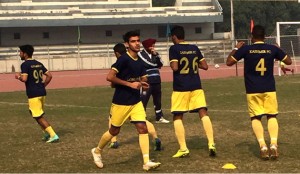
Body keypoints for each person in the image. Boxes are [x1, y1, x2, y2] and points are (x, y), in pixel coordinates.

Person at [91, 31, 161, 171]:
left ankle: (146, 161)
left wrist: (142, 82)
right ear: (127, 44)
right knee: (114, 131)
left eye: (138, 40)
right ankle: (97, 151)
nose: (137, 43)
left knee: (142, 128)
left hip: (135, 102)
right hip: (121, 102)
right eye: (133, 41)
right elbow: (110, 77)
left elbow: (143, 78)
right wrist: (130, 84)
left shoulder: (139, 61)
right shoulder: (123, 59)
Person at [226, 25, 292, 160]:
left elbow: (228, 62)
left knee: (256, 118)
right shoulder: (272, 49)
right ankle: (273, 144)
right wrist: (279, 50)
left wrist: (236, 48)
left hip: (252, 89)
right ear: (265, 36)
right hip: (269, 88)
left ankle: (262, 146)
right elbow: (288, 61)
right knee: (272, 116)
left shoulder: (246, 49)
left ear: (252, 37)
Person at [169, 25, 216, 158]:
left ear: (174, 37)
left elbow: (174, 67)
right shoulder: (194, 48)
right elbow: (205, 66)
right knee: (203, 112)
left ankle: (183, 148)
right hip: (196, 85)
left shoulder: (174, 48)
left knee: (178, 116)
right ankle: (211, 143)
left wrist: (174, 63)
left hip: (181, 87)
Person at [108, 43, 162, 151]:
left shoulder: (120, 64)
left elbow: (112, 82)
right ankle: (155, 137)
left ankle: (113, 141)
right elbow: (144, 79)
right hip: (136, 97)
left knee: (112, 118)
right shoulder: (136, 62)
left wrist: (125, 83)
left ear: (117, 53)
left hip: (122, 99)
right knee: (142, 121)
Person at [15, 44, 59, 143]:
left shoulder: (25, 65)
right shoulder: (38, 63)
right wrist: (43, 85)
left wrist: (18, 76)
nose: (19, 54)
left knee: (38, 116)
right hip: (41, 92)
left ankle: (53, 135)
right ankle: (47, 133)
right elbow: (49, 75)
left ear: (25, 54)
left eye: (20, 52)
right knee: (34, 113)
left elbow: (24, 79)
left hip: (33, 94)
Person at [138, 38, 170, 124]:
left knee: (158, 100)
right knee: (144, 99)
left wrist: (156, 55)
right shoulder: (140, 54)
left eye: (153, 45)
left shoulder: (155, 54)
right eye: (152, 45)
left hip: (157, 80)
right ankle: (142, 117)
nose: (153, 47)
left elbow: (161, 64)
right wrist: (155, 64)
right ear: (147, 46)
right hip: (147, 81)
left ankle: (159, 117)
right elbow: (146, 64)